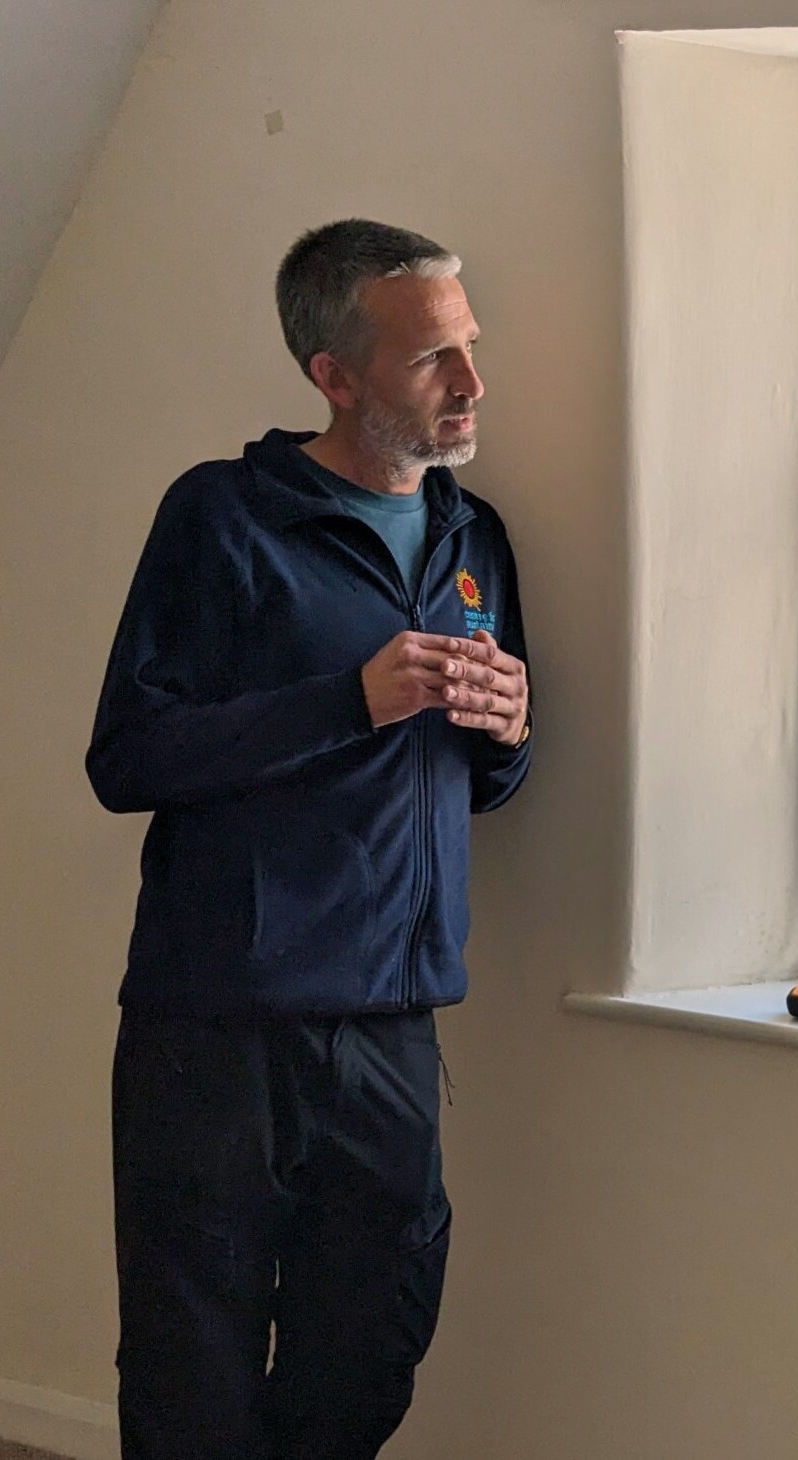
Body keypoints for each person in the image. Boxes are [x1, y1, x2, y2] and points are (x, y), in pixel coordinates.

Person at [87, 219, 533, 1459]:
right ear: (334, 376)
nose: (471, 386)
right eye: (432, 360)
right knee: (193, 1357)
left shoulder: (471, 535)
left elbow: (483, 783)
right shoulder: (222, 517)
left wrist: (505, 731)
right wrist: (347, 698)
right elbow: (127, 756)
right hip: (214, 1022)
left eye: (471, 350)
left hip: (392, 1015)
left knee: (374, 1333)